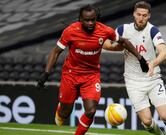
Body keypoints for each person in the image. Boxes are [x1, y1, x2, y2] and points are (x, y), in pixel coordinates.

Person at [36, 4, 148, 135]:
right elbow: (55, 52)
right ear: (80, 19)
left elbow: (124, 42)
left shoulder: (105, 30)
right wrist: (46, 73)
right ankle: (61, 107)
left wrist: (140, 59)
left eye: (93, 20)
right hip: (71, 74)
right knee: (64, 114)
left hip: (91, 75)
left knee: (91, 111)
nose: (90, 23)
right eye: (87, 20)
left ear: (96, 19)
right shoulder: (70, 31)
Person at [103, 1, 166, 135]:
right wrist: (99, 41)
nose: (141, 18)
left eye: (144, 15)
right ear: (133, 14)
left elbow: (164, 53)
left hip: (152, 78)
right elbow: (108, 45)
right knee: (147, 121)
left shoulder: (153, 30)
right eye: (138, 14)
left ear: (149, 16)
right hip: (133, 82)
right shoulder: (123, 29)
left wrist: (152, 64)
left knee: (165, 116)